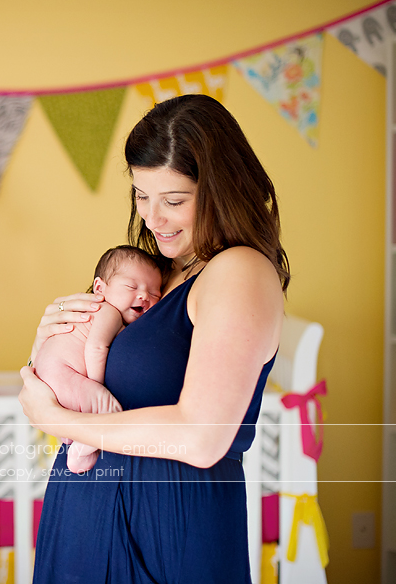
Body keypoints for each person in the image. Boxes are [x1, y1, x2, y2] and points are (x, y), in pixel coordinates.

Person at [19, 94, 289, 583]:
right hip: (87, 518)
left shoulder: (239, 272)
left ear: (223, 191)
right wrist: (54, 335)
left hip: (168, 529)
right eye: (142, 195)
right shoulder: (163, 273)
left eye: (174, 200)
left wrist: (53, 417)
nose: (152, 218)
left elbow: (203, 437)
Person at [33, 245, 163, 473]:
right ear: (100, 287)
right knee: (108, 410)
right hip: (62, 373)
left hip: (51, 375)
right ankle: (81, 451)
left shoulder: (106, 317)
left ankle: (73, 438)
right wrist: (96, 386)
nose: (144, 295)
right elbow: (96, 348)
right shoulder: (107, 311)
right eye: (132, 286)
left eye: (154, 294)